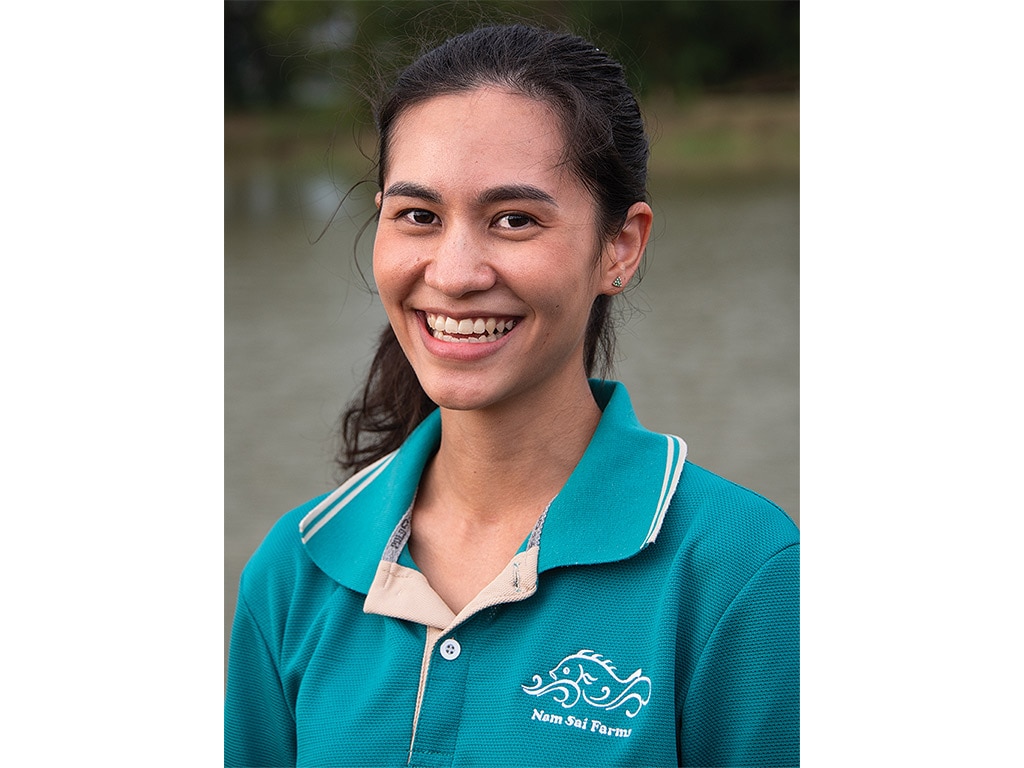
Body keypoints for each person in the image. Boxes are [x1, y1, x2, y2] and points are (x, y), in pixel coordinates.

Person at [225, 23, 799, 768]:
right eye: (418, 216)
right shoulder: (295, 570)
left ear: (620, 247)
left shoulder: (739, 569)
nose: (456, 272)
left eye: (515, 220)